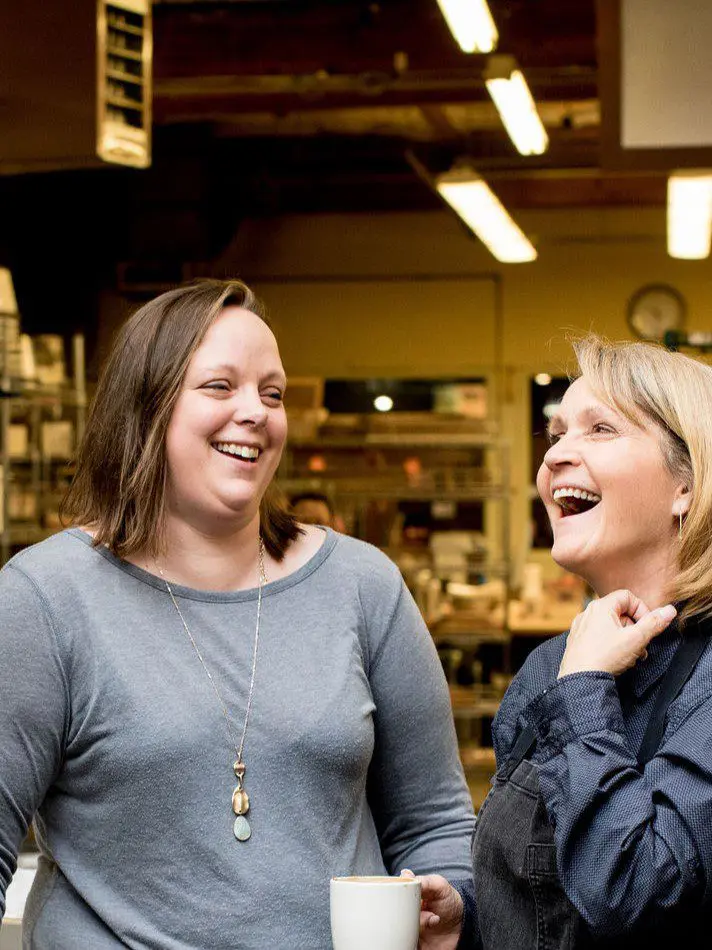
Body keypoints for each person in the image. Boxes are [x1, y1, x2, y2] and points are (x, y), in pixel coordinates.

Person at [0, 279, 476, 949]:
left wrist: (453, 897)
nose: (255, 412)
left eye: (272, 392)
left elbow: (437, 822)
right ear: (146, 406)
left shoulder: (364, 586)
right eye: (220, 387)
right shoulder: (45, 599)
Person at [417, 335, 712, 948]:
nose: (554, 457)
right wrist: (469, 919)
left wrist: (585, 691)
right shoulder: (547, 666)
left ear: (687, 484)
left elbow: (637, 890)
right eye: (555, 435)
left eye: (599, 430)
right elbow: (542, 893)